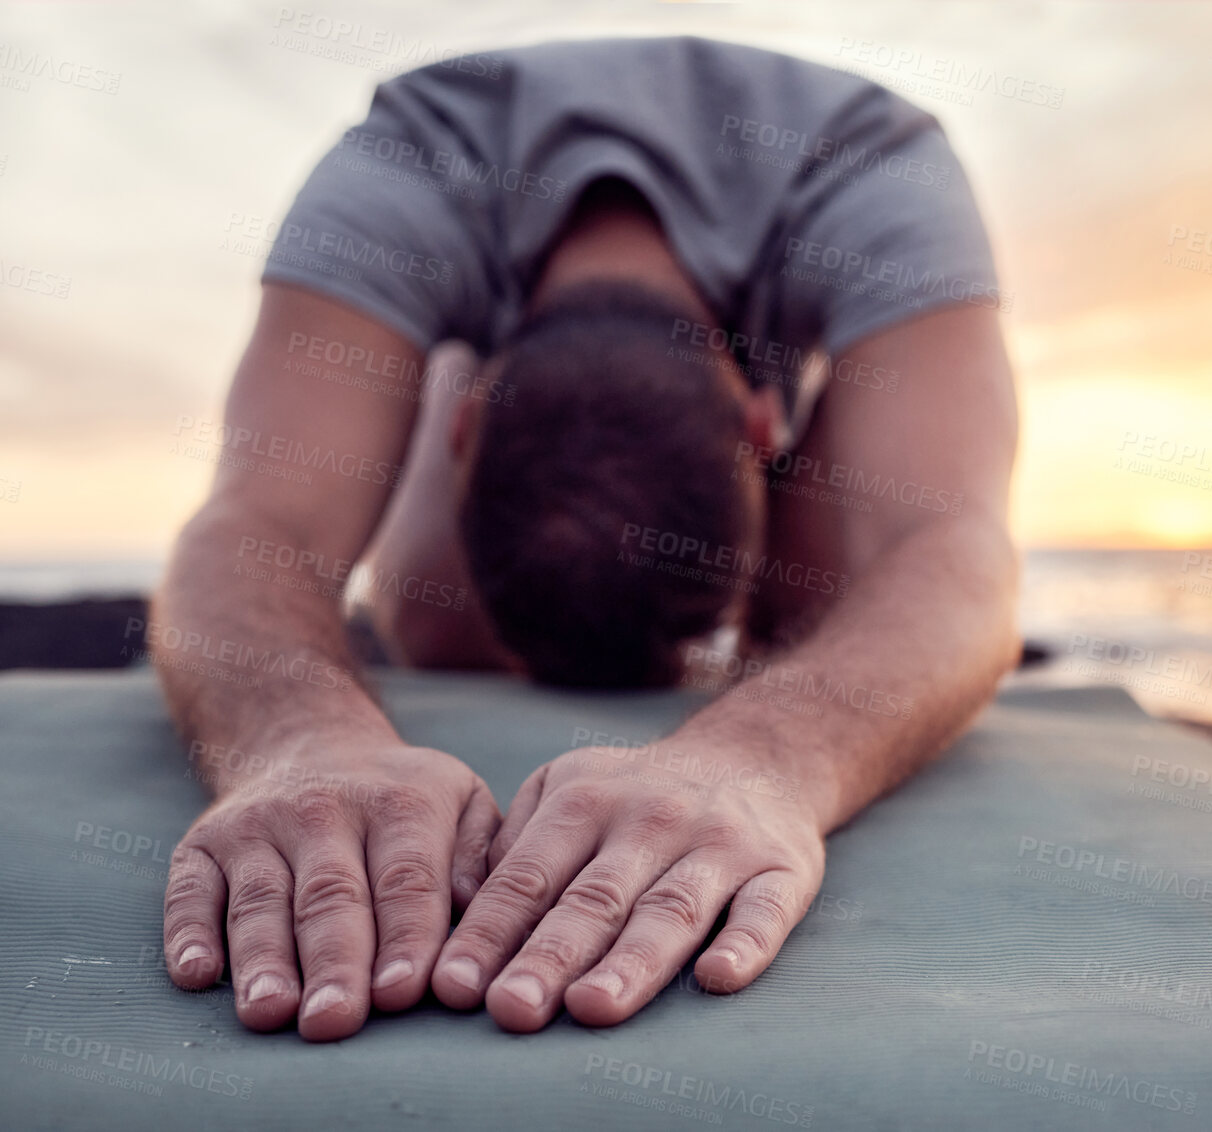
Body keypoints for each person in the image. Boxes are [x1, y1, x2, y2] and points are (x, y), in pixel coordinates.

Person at [153, 35, 1019, 1041]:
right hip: (484, 334)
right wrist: (298, 747)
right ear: (462, 424)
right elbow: (255, 522)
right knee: (438, 623)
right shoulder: (405, 165)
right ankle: (461, 414)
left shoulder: (875, 168)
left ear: (768, 431)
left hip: (795, 323)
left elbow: (957, 548)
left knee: (828, 603)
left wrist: (762, 758)